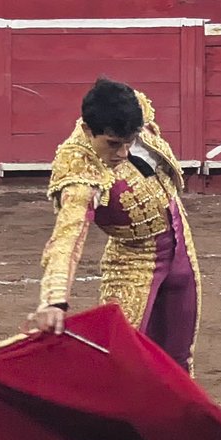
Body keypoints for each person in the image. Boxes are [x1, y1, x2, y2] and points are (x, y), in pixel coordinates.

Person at [31, 77, 201, 372]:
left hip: (180, 239)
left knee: (179, 359)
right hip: (133, 259)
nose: (122, 153)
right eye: (112, 144)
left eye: (129, 142)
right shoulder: (78, 166)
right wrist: (54, 301)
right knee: (119, 361)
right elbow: (67, 236)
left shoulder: (134, 109)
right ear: (88, 130)